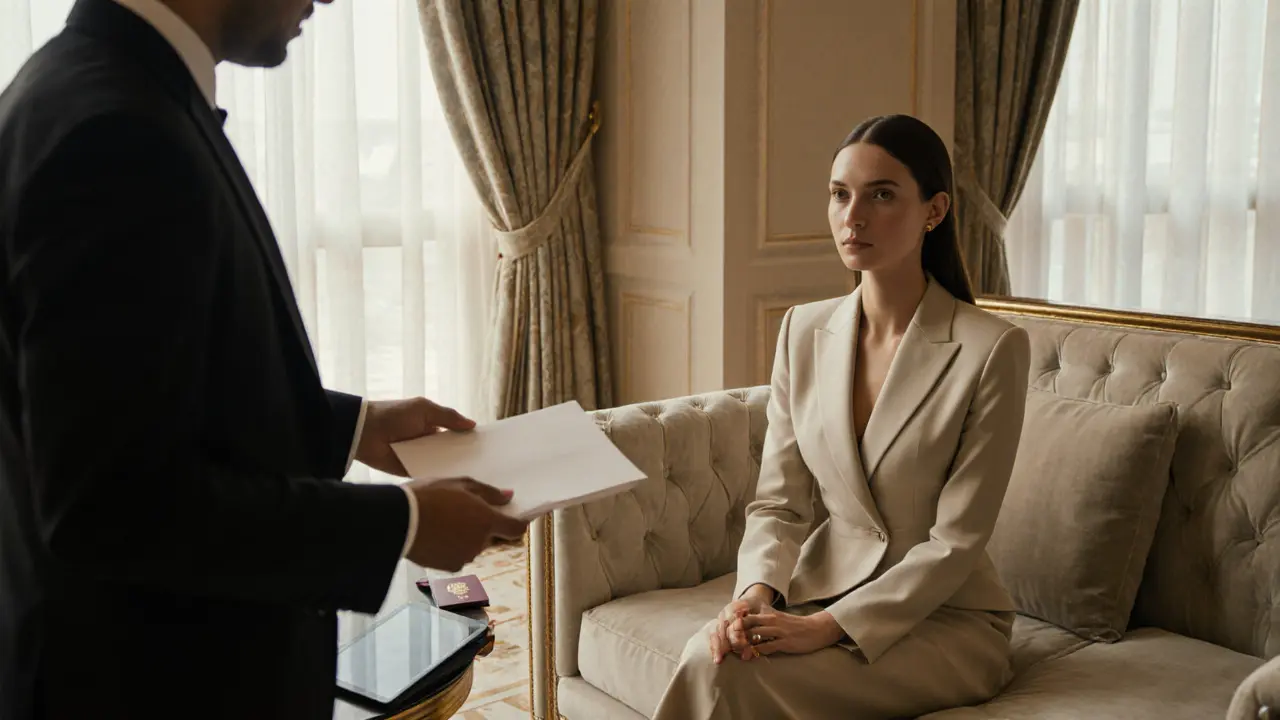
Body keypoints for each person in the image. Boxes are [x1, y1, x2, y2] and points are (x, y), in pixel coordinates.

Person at [0, 1, 529, 718]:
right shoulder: (116, 131)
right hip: (153, 682)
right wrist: (398, 524)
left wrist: (354, 427)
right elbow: (115, 502)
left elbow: (158, 392)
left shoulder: (98, 88)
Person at [650, 114, 1032, 719]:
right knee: (714, 654)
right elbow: (779, 502)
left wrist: (831, 626)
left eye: (882, 195)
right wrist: (755, 595)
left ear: (934, 211)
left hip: (945, 620)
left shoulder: (992, 349)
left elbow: (957, 541)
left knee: (729, 679)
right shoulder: (803, 329)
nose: (852, 216)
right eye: (839, 194)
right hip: (820, 589)